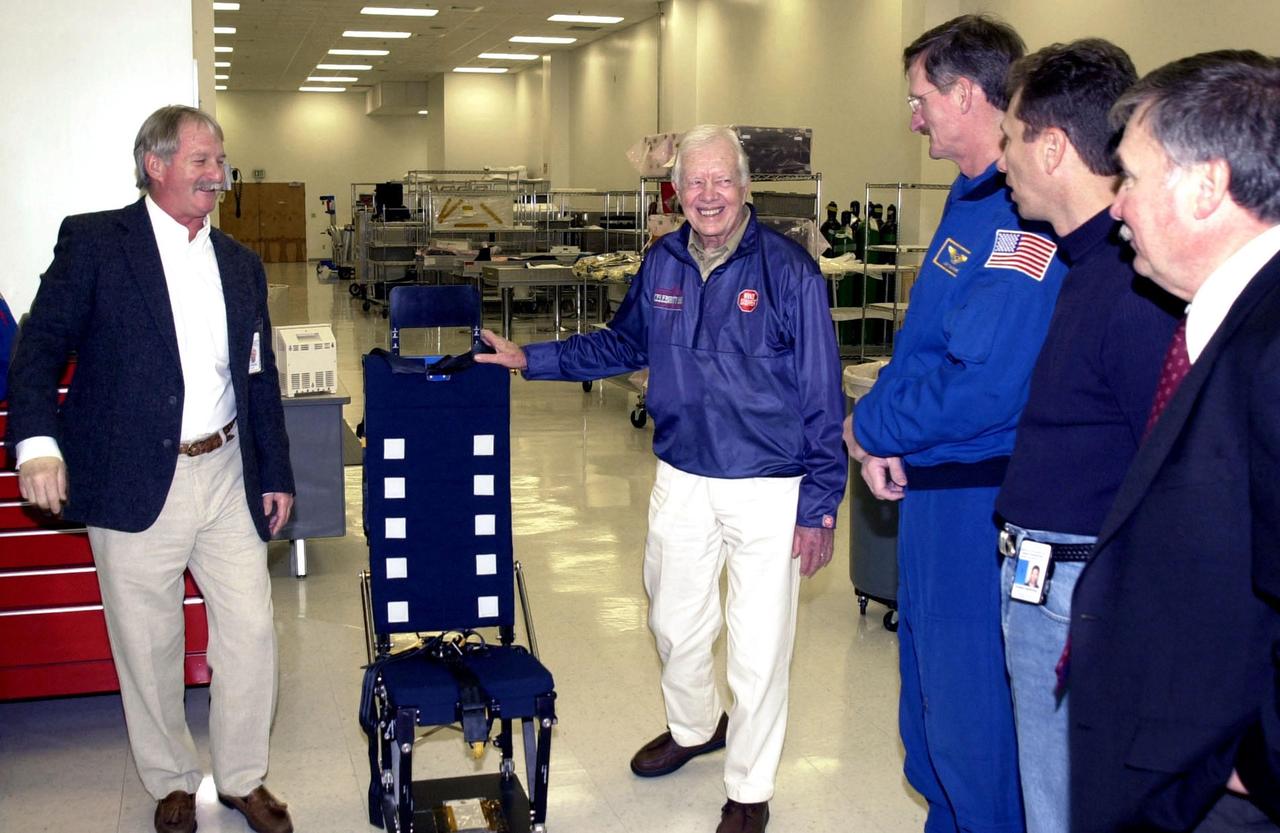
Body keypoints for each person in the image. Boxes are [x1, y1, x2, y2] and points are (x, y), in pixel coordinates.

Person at [476, 124, 845, 833]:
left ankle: (750, 785)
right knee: (673, 622)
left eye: (721, 181)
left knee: (761, 644)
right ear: (676, 189)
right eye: (694, 182)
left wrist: (821, 505)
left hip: (770, 481)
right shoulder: (663, 261)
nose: (707, 196)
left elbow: (823, 392)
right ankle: (695, 724)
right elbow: (621, 342)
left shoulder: (787, 270)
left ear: (744, 187)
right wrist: (531, 358)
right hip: (682, 471)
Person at [5, 105, 295, 833]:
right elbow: (37, 348)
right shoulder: (98, 242)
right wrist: (37, 442)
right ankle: (170, 778)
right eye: (200, 159)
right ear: (154, 164)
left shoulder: (239, 262)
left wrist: (278, 471)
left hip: (226, 466)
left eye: (221, 159)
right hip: (134, 474)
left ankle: (242, 777)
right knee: (148, 639)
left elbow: (260, 376)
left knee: (251, 629)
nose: (217, 173)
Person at [843, 15, 1068, 833]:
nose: (913, 116)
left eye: (920, 97)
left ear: (966, 94)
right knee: (929, 714)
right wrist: (882, 437)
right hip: (927, 489)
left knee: (974, 717)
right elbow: (927, 343)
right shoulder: (967, 198)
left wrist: (871, 423)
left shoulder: (1023, 217)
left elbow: (986, 385)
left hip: (979, 501)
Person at [1068, 51, 1280, 832]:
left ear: (1206, 186)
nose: (1117, 207)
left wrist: (1253, 766)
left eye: (1128, 178)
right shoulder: (1226, 320)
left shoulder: (1272, 345)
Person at [991, 40, 1182, 833]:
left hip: (1079, 599)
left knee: (1068, 808)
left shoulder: (1133, 287)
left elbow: (1170, 472)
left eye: (1008, 137)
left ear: (1051, 146)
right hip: (1052, 583)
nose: (1000, 158)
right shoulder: (1085, 269)